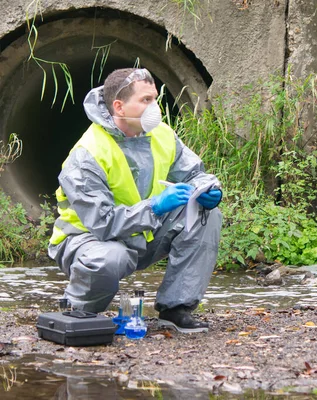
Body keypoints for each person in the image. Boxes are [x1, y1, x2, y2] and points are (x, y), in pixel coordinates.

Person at [48, 68, 223, 333]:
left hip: (142, 232)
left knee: (206, 214)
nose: (155, 107)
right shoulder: (88, 154)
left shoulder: (162, 134)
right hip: (87, 241)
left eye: (155, 98)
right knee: (109, 258)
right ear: (119, 106)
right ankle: (79, 311)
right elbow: (103, 223)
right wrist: (155, 206)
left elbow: (195, 173)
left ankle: (175, 309)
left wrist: (208, 189)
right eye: (145, 100)